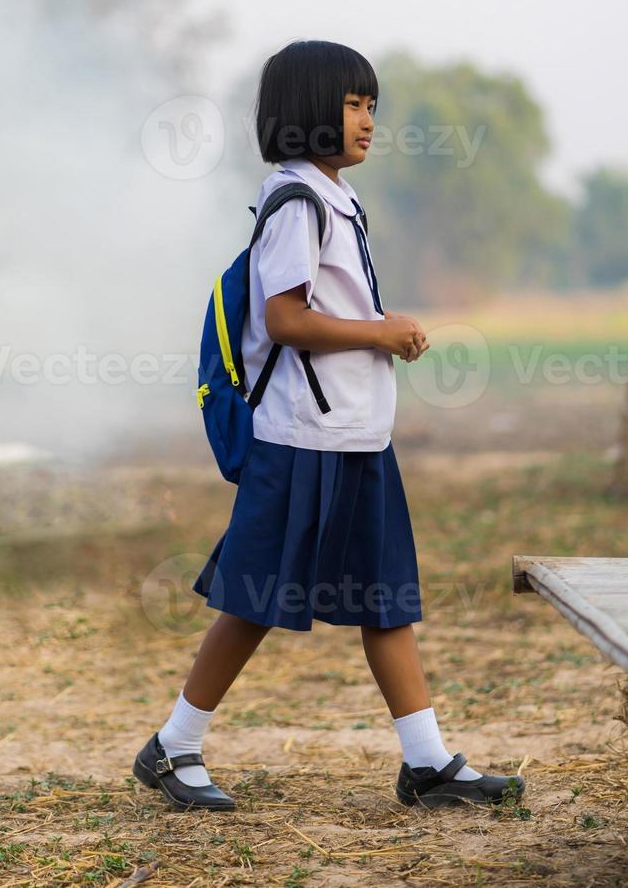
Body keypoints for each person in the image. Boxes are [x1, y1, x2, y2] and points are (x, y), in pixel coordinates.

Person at [132, 40, 525, 811]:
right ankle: (173, 748)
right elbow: (283, 318)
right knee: (252, 600)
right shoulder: (297, 201)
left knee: (384, 598)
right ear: (309, 111)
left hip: (354, 438)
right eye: (353, 104)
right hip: (298, 441)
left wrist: (380, 332)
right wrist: (381, 332)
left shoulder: (335, 198)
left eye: (372, 104)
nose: (368, 119)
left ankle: (427, 763)